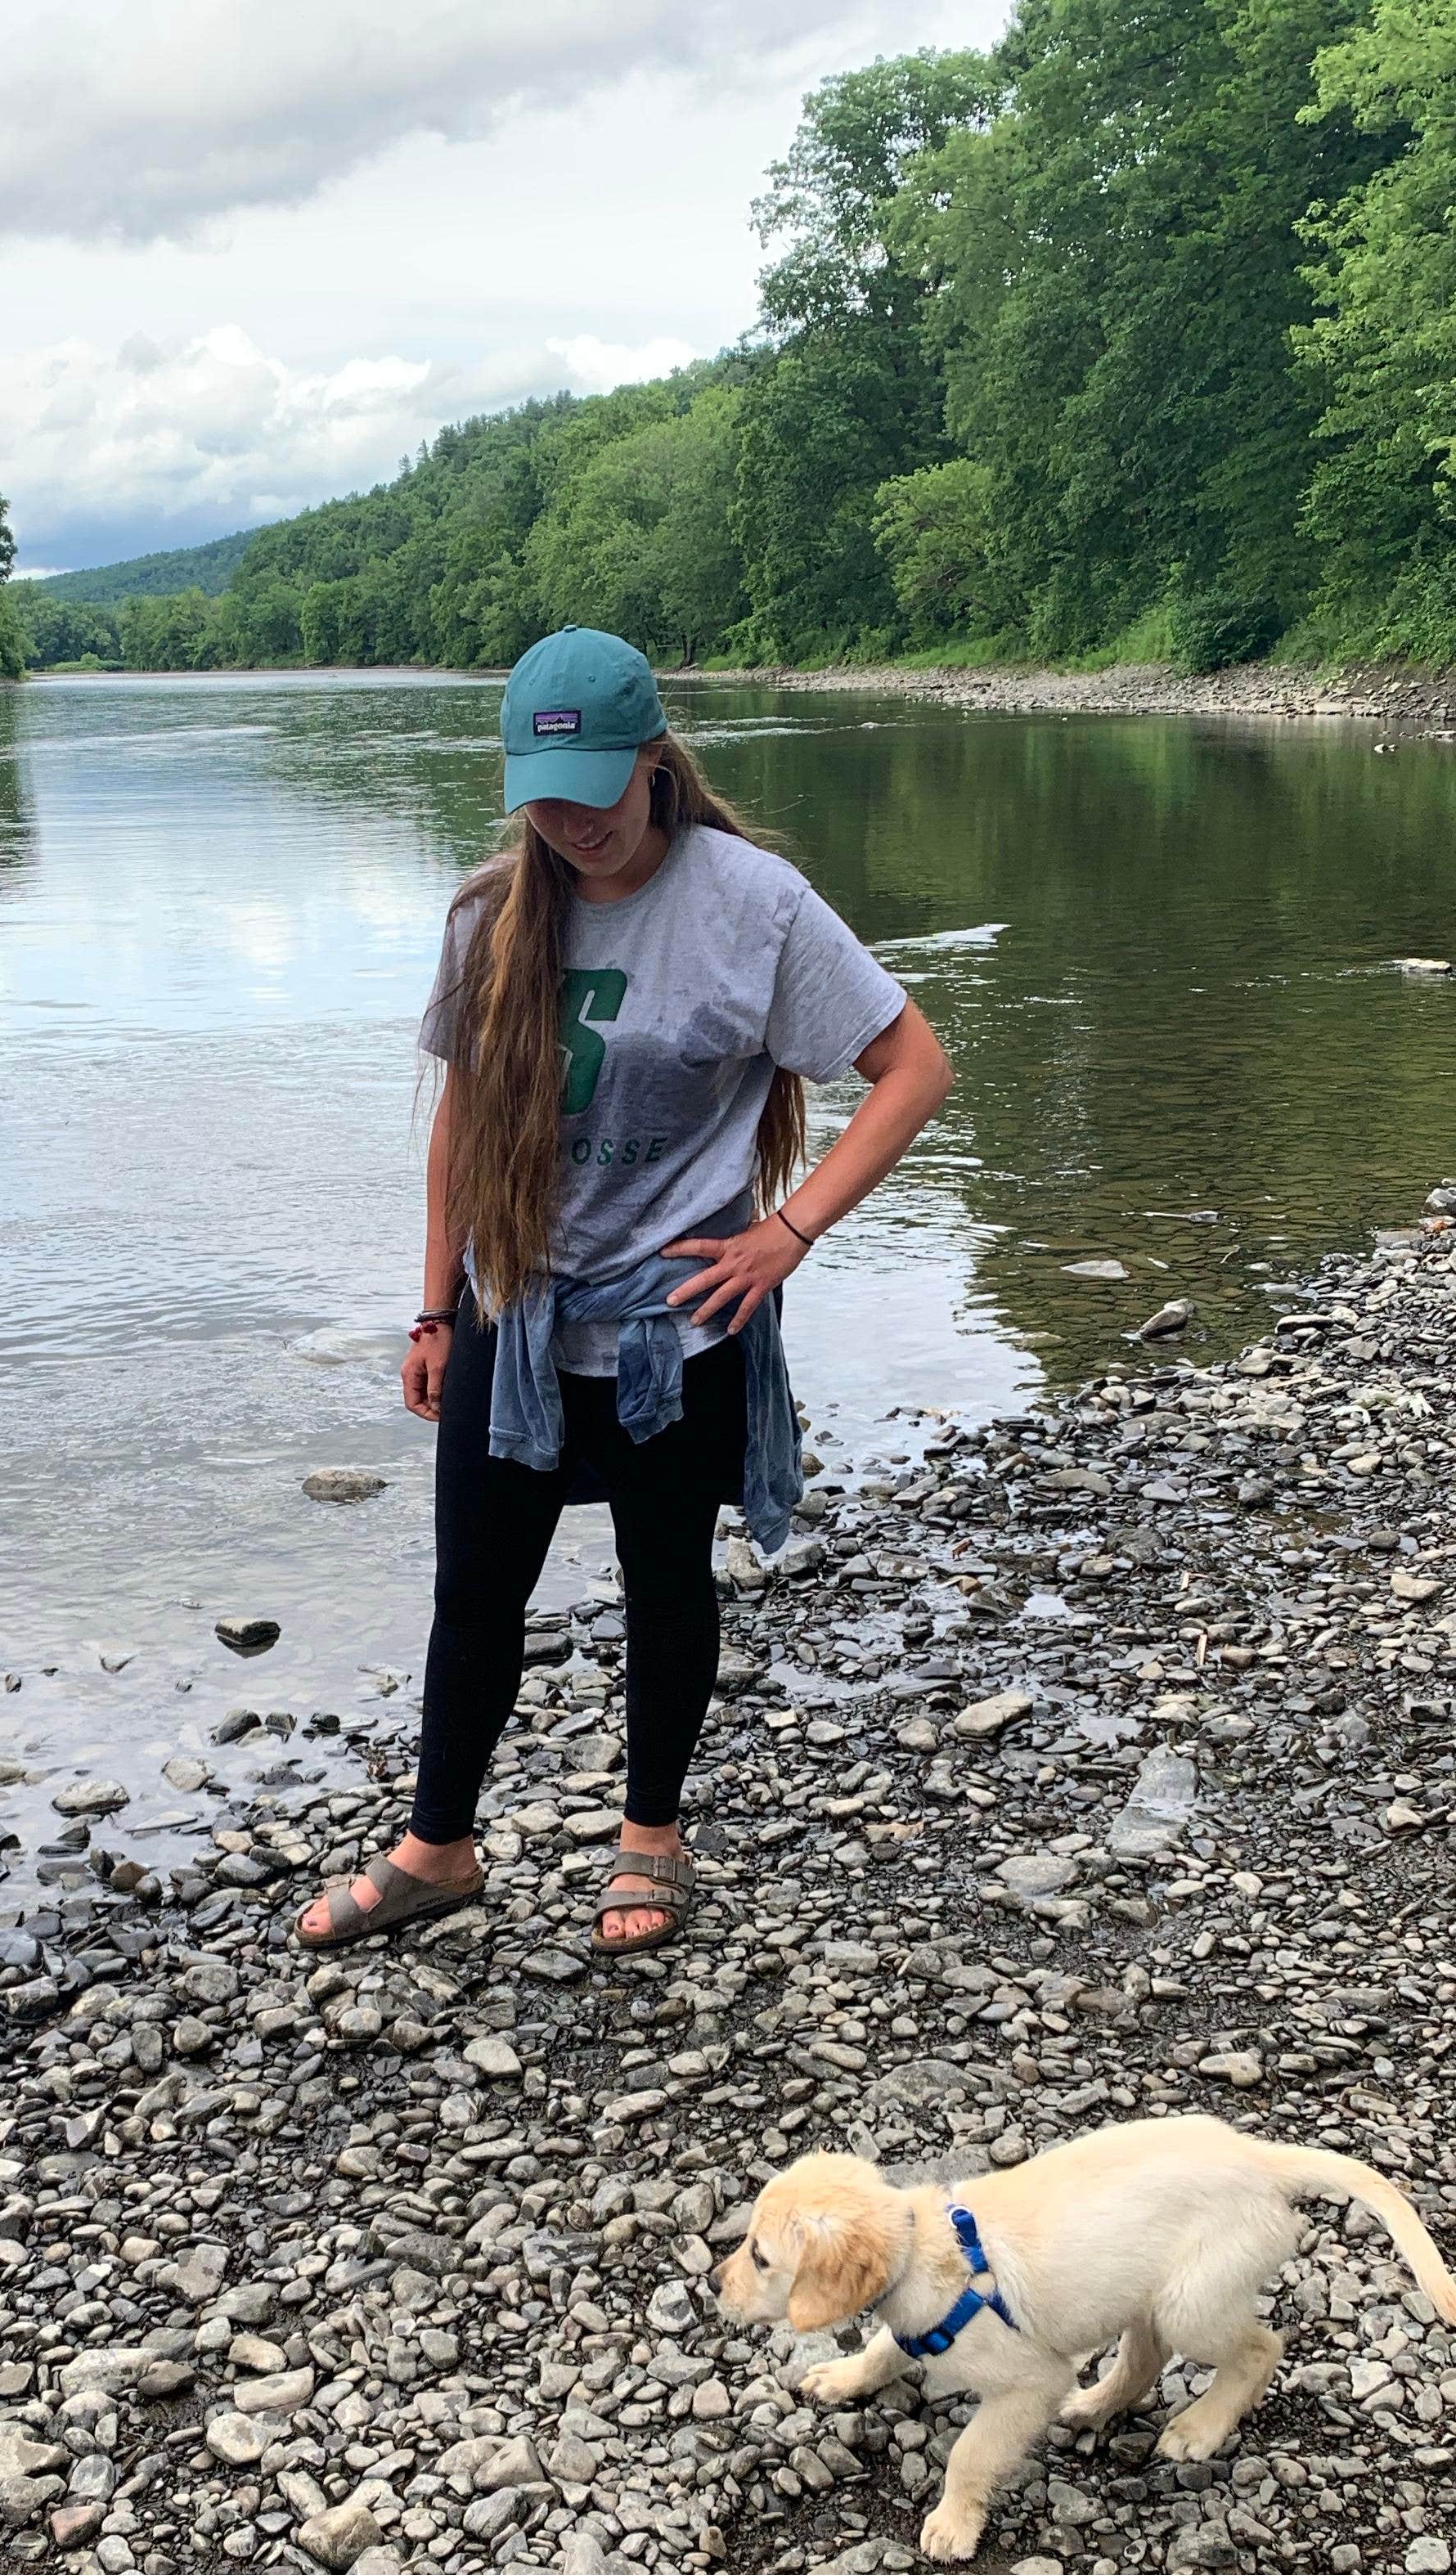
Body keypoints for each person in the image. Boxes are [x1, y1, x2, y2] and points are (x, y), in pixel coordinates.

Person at [299, 627, 951, 1959]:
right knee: (476, 1589)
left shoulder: (753, 903)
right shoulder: (490, 915)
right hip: (515, 1310)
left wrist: (790, 1232)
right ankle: (440, 1846)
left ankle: (651, 1838)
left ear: (657, 763)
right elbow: (464, 1127)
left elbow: (914, 1069)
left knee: (666, 1582)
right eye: (542, 797)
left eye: (596, 788)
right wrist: (434, 1309)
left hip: (678, 1317)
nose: (571, 822)